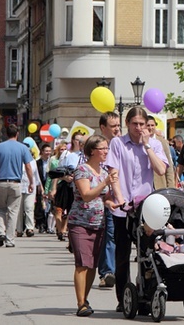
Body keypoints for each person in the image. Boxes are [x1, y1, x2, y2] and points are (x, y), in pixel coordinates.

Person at [105, 106, 169, 312]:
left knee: (147, 253)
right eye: (135, 124)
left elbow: (160, 169)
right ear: (127, 124)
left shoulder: (155, 144)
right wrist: (121, 199)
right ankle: (123, 297)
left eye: (142, 125)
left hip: (146, 207)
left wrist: (147, 146)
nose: (139, 128)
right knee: (122, 255)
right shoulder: (117, 143)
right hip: (122, 208)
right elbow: (113, 174)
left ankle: (146, 295)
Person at [67, 135, 117, 317]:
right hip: (80, 223)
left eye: (107, 148)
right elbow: (87, 195)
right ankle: (80, 303)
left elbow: (105, 197)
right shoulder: (82, 171)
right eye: (103, 148)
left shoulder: (103, 172)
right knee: (82, 263)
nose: (106, 152)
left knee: (93, 264)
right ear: (92, 151)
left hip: (98, 223)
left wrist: (111, 202)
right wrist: (105, 183)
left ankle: (85, 299)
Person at [0, 124, 35, 248]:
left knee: (0, 209)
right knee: (13, 212)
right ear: (17, 134)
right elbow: (28, 167)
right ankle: (10, 240)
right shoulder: (23, 148)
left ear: (6, 134)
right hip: (15, 183)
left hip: (1, 182)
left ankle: (0, 233)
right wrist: (31, 182)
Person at [97, 112, 120, 289]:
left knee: (114, 236)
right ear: (103, 128)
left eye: (118, 125)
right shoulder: (97, 147)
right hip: (103, 197)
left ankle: (114, 271)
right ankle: (107, 272)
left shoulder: (123, 145)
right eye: (113, 126)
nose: (117, 129)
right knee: (108, 235)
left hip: (122, 198)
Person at [51, 132, 84, 243]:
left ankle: (73, 237)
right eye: (78, 140)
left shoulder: (87, 156)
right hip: (70, 188)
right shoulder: (69, 156)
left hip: (84, 188)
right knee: (70, 212)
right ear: (73, 141)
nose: (80, 143)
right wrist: (64, 178)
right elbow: (58, 173)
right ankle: (70, 237)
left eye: (82, 141)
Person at [17, 139, 43, 238]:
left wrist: (39, 186)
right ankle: (19, 229)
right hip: (19, 186)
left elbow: (36, 175)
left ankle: (29, 228)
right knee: (19, 209)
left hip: (30, 186)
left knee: (29, 208)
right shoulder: (17, 160)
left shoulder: (32, 162)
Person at [147, 115, 176, 189]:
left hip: (159, 184)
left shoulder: (162, 142)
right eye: (148, 125)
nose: (150, 128)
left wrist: (170, 187)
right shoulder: (140, 141)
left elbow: (169, 166)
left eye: (152, 125)